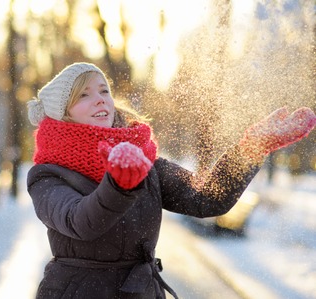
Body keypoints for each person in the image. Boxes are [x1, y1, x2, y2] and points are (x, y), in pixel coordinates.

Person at [26, 62, 316, 299]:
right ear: (63, 113)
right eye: (84, 94)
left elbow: (206, 198)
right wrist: (119, 184)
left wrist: (250, 149)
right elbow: (81, 222)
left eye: (104, 90)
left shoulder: (144, 160)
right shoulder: (48, 174)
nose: (100, 98)